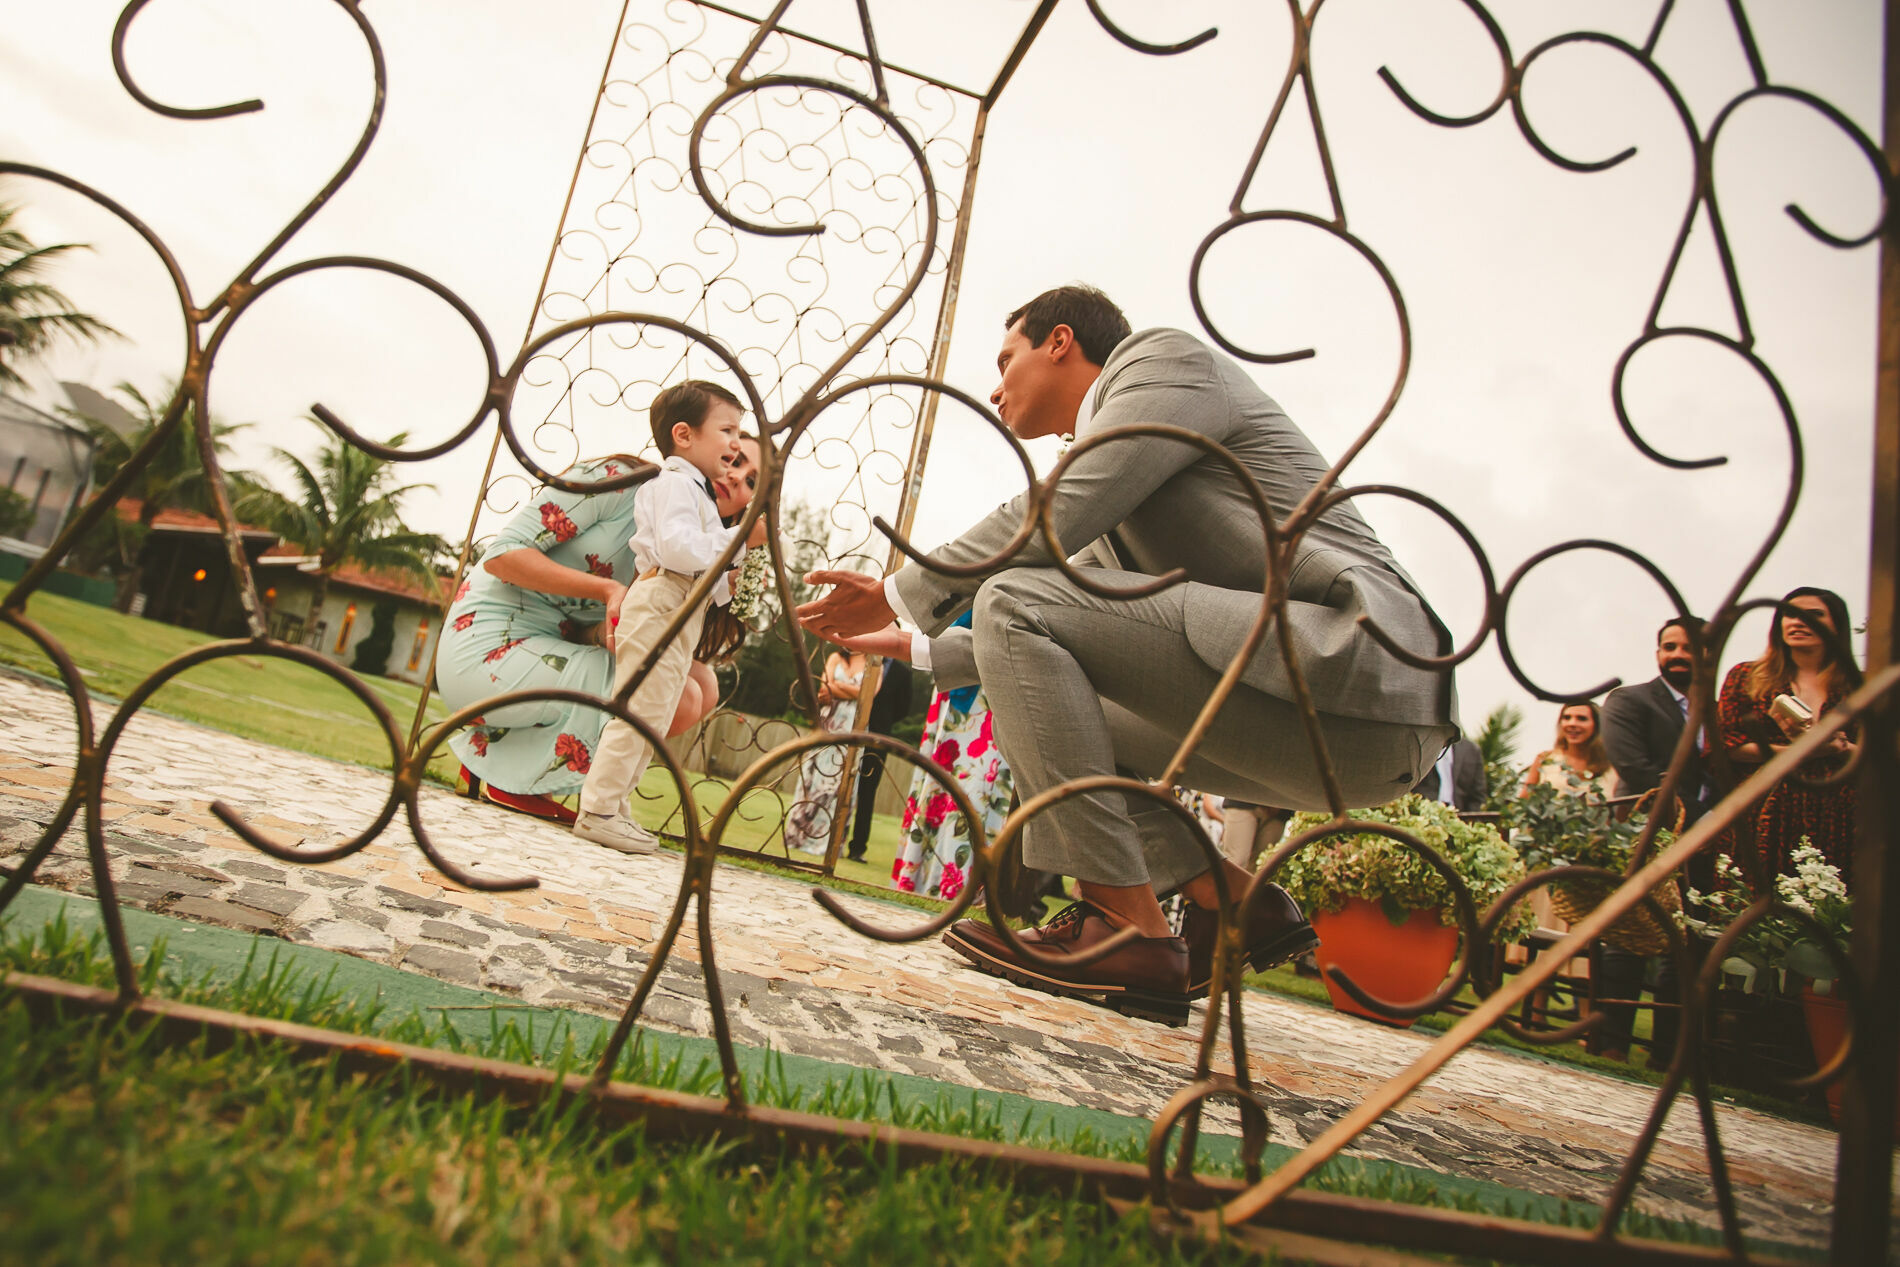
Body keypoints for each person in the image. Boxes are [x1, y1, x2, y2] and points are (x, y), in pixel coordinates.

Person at [796, 284, 1457, 1022]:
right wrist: (910, 642)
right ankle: (1229, 899)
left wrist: (898, 588)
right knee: (1058, 704)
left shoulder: (1162, 362)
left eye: (1005, 357)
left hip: (1355, 666)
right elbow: (1057, 643)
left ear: (1060, 341)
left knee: (1013, 597)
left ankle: (1125, 928)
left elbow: (1052, 523)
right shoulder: (1120, 480)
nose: (995, 384)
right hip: (1304, 711)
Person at [438, 391, 759, 825]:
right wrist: (605, 588)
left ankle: (514, 772)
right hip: (491, 641)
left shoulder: (696, 550)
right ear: (687, 439)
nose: (738, 479)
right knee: (678, 693)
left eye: (754, 481)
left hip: (555, 646)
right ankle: (544, 788)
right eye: (734, 456)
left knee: (701, 682)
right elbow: (501, 556)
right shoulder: (620, 480)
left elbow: (606, 632)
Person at [573, 383, 769, 852]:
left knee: (656, 711)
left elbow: (702, 565)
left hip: (682, 606)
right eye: (727, 431)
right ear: (684, 435)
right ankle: (597, 809)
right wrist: (741, 540)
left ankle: (615, 805)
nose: (736, 444)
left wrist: (735, 575)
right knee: (640, 708)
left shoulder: (696, 490)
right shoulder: (674, 484)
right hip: (661, 597)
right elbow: (680, 550)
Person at [1597, 616, 1712, 1069]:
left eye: (1689, 647)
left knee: (1690, 943)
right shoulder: (1631, 700)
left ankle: (1667, 1055)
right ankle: (1610, 1043)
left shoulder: (1719, 713)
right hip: (1647, 833)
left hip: (1708, 844)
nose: (1678, 654)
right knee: (1628, 937)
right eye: (1669, 646)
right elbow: (1636, 767)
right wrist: (1695, 817)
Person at [1715, 587, 1861, 887]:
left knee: (1831, 904)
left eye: (1814, 614)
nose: (1797, 621)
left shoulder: (1858, 685)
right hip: (1765, 804)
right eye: (1789, 614)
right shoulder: (1746, 676)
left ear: (1836, 625)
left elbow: (1880, 754)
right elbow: (1727, 746)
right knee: (1759, 900)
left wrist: (1840, 747)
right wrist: (1801, 750)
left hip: (1839, 811)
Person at [894, 629, 1014, 898]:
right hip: (961, 679)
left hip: (998, 683)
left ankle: (965, 886)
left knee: (978, 788)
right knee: (945, 786)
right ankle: (938, 881)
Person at [784, 648, 867, 855]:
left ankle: (825, 841)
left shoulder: (875, 664)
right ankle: (800, 833)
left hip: (852, 727)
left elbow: (867, 695)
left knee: (839, 784)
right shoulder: (835, 657)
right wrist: (851, 691)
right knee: (814, 779)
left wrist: (838, 687)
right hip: (828, 723)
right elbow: (825, 689)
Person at [845, 658, 913, 863]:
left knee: (867, 791)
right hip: (849, 728)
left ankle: (857, 848)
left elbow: (903, 709)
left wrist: (883, 720)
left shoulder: (903, 672)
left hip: (878, 737)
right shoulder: (862, 658)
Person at [1519, 702, 1612, 799]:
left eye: (1581, 719)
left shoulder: (1613, 764)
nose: (1572, 723)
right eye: (1567, 718)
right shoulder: (1545, 759)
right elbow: (1523, 802)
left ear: (1596, 725)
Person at [1412, 736, 1486, 812]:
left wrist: (1470, 819)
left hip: (1459, 815)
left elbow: (1478, 796)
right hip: (1423, 814)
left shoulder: (1471, 749)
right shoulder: (1418, 745)